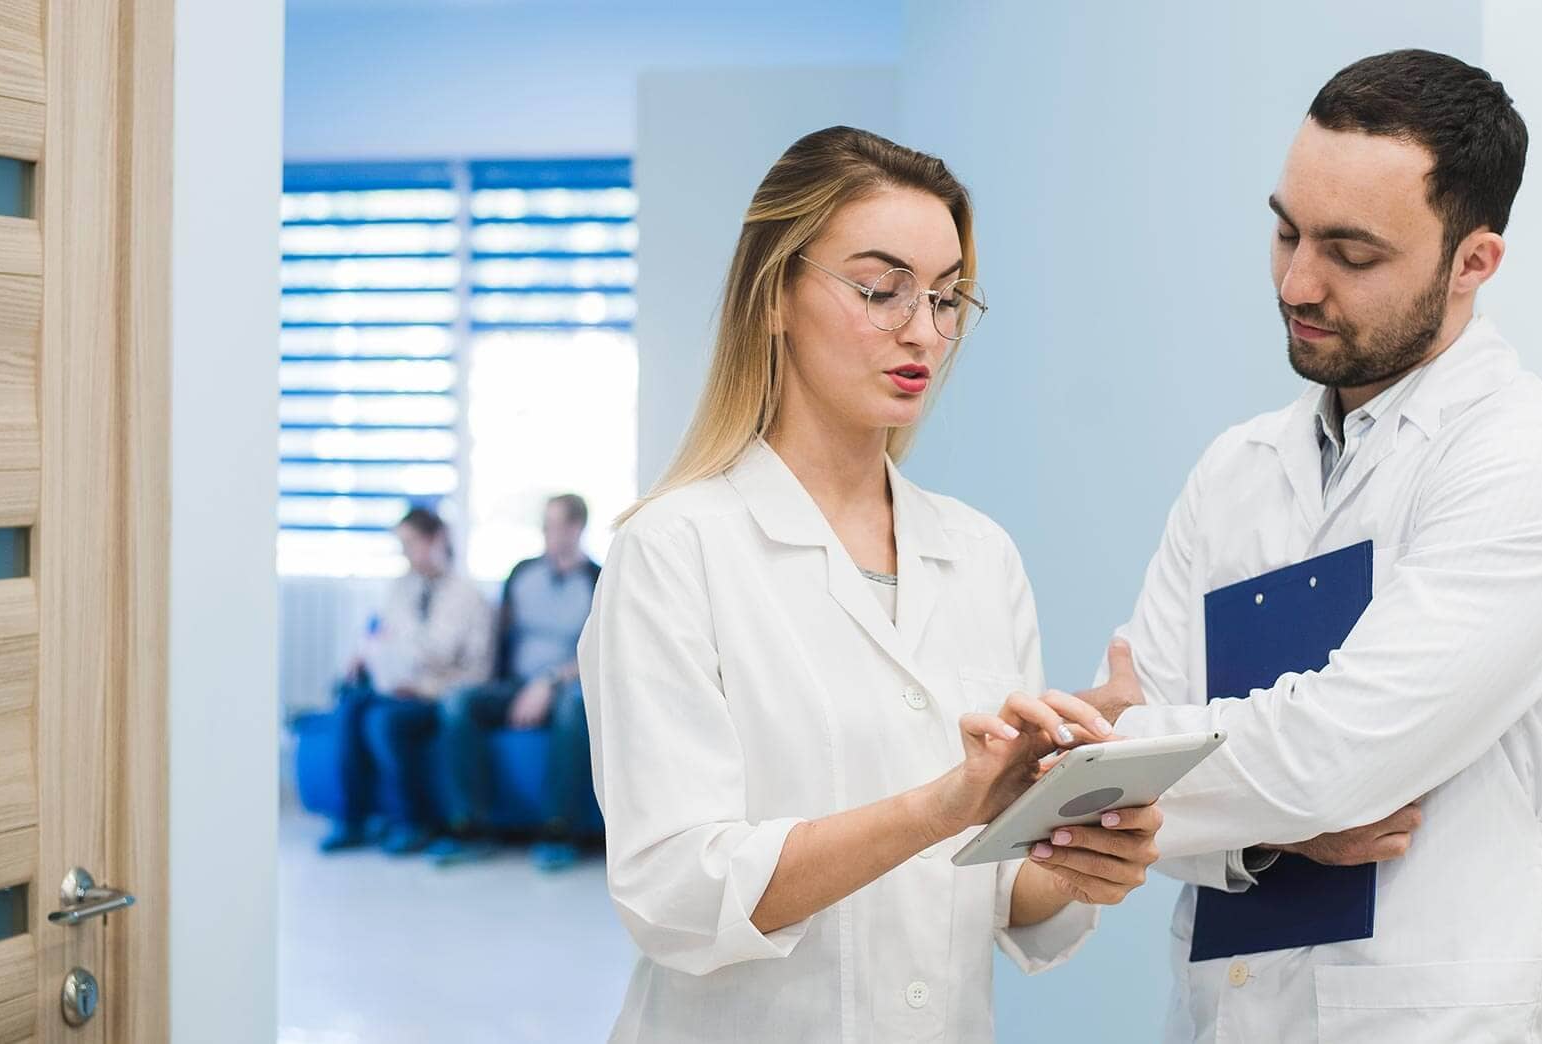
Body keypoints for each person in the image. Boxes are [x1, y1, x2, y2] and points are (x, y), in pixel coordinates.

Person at [1050, 50, 1542, 1041]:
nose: (1296, 281)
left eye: (1351, 254)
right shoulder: (1235, 468)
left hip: (1428, 1014)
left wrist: (1101, 755)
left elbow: (1333, 757)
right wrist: (1265, 828)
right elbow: (1132, 821)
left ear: (1472, 263)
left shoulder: (1529, 466)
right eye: (1283, 231)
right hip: (1224, 1010)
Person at [579, 126, 1164, 1042]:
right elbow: (677, 892)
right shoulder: (674, 550)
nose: (923, 331)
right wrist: (939, 805)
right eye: (880, 289)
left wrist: (1080, 836)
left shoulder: (980, 555)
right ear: (774, 295)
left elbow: (994, 885)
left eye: (946, 297)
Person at [429, 493, 601, 871]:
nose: (549, 535)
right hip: (515, 685)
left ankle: (559, 830)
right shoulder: (522, 574)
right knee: (458, 703)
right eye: (545, 526)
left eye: (557, 526)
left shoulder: (598, 580)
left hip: (567, 685)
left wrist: (549, 682)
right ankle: (470, 826)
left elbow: (601, 650)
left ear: (577, 528)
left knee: (573, 707)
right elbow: (499, 636)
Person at [321, 506, 494, 855]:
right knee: (351, 703)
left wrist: (395, 640)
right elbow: (380, 634)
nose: (407, 555)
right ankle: (353, 818)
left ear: (437, 540)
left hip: (443, 692)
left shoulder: (465, 593)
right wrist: (365, 654)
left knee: (384, 721)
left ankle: (412, 822)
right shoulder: (403, 589)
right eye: (402, 545)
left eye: (412, 543)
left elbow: (438, 652)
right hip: (405, 687)